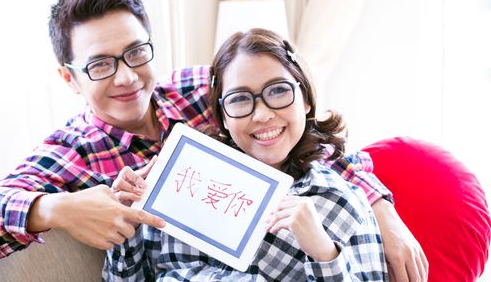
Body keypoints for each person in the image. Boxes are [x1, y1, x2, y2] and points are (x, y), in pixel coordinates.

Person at [0, 0, 426, 281]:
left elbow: (303, 131)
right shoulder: (72, 151)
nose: (127, 77)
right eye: (101, 65)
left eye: (135, 53)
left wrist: (383, 211)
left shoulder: (200, 88)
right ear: (70, 78)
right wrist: (58, 210)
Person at [103, 28, 390, 280]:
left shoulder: (341, 201)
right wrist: (123, 219)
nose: (263, 114)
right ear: (224, 118)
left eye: (278, 91)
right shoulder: (181, 179)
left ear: (305, 101)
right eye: (240, 99)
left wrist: (325, 253)